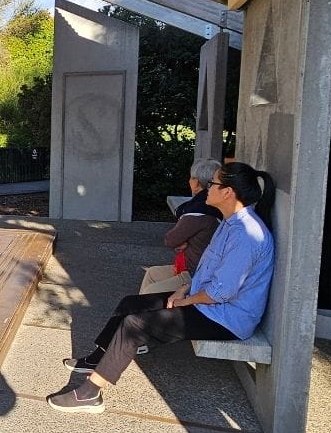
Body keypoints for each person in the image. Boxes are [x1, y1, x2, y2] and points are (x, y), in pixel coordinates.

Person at [48, 162, 275, 413]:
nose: (207, 188)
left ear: (227, 192)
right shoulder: (232, 223)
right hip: (209, 303)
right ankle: (97, 358)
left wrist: (184, 302)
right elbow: (211, 273)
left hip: (227, 318)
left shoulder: (246, 235)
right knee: (130, 303)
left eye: (213, 184)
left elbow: (221, 292)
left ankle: (90, 394)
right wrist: (184, 289)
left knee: (135, 325)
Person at [138, 158, 223, 295]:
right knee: (152, 273)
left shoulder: (200, 212)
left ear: (197, 182)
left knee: (150, 292)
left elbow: (171, 239)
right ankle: (139, 308)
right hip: (193, 267)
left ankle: (143, 308)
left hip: (195, 274)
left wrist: (185, 241)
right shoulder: (212, 208)